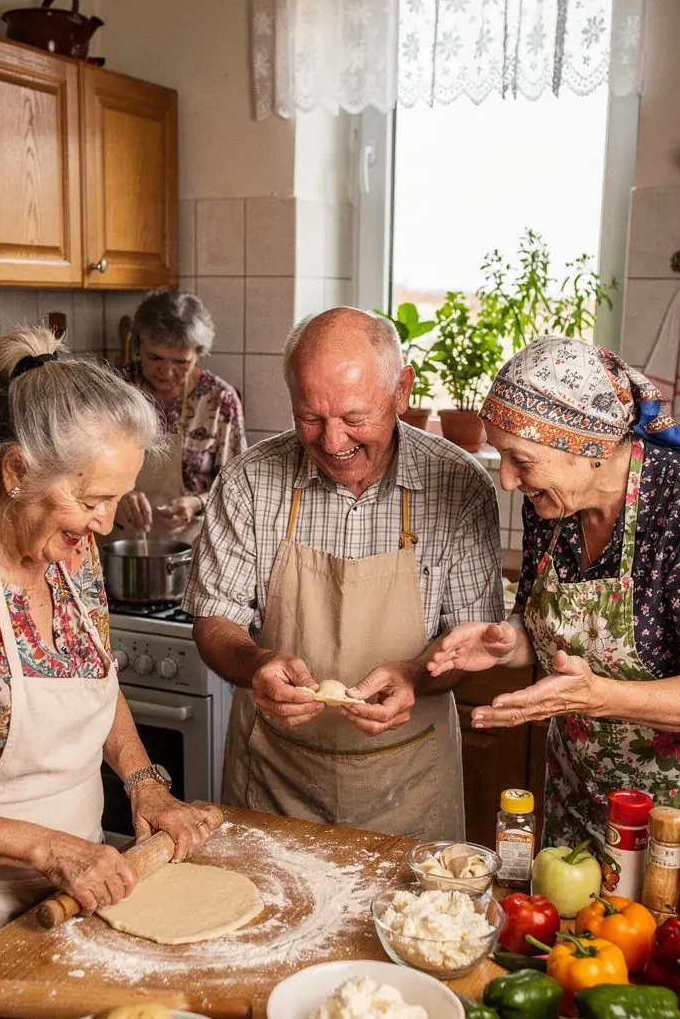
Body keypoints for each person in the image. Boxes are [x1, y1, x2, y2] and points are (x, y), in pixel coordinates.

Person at [0, 325, 221, 989]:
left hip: (80, 888)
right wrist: (44, 847)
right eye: (93, 500)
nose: (106, 521)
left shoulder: (71, 549)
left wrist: (144, 781)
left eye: (115, 498)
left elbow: (96, 677)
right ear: (16, 472)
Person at [184, 307, 505, 838]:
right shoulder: (248, 481)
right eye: (310, 417)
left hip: (409, 785)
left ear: (401, 390)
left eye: (355, 419)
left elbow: (471, 640)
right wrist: (256, 661)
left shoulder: (460, 485)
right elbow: (215, 619)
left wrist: (415, 675)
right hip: (273, 784)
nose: (333, 443)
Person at [427, 334, 680, 854]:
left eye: (519, 459)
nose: (506, 480)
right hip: (576, 803)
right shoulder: (550, 504)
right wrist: (506, 639)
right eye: (500, 456)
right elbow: (543, 623)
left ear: (589, 447)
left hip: (674, 825)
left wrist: (599, 698)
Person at [116, 288, 246, 542]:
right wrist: (120, 493)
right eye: (154, 357)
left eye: (181, 362)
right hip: (119, 542)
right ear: (137, 346)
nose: (165, 370)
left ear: (198, 354)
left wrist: (196, 503)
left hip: (190, 547)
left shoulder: (219, 400)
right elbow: (80, 469)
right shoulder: (114, 389)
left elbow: (239, 488)